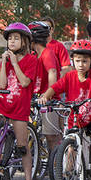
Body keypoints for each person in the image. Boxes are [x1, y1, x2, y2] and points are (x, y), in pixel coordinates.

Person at [38, 39, 91, 180]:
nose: (81, 64)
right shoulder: (69, 76)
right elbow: (55, 87)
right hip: (75, 120)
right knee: (70, 150)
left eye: (85, 61)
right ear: (73, 61)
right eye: (77, 61)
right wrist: (45, 97)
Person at [0, 23, 38, 180]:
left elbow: (25, 82)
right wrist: (4, 63)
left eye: (16, 38)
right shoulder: (7, 60)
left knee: (22, 146)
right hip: (2, 103)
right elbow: (2, 84)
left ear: (25, 41)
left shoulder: (32, 60)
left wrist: (15, 63)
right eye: (10, 38)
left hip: (19, 106)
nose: (12, 41)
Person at [29, 21, 61, 160]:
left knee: (51, 137)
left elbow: (52, 73)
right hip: (38, 98)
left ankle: (55, 169)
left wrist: (47, 96)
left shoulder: (47, 53)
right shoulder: (35, 55)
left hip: (50, 100)